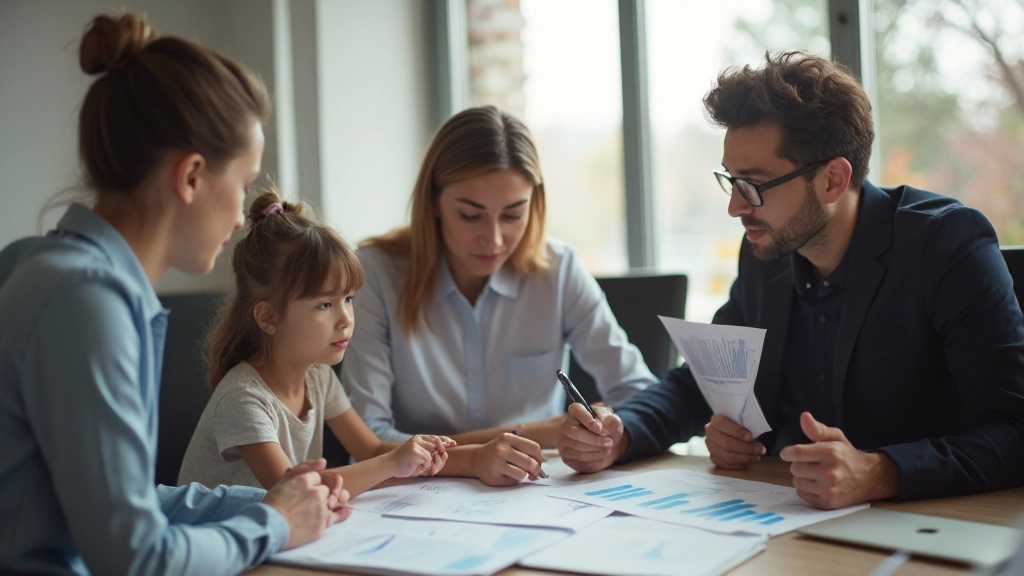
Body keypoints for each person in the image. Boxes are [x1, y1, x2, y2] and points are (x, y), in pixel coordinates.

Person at [558, 51, 1024, 509]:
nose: (735, 207)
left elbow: (1015, 430)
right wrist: (620, 433)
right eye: (731, 180)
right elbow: (699, 383)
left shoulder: (945, 245)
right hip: (785, 514)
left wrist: (881, 471)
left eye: (753, 185)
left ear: (832, 180)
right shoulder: (766, 252)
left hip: (935, 521)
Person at [0, 14, 347, 575]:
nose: (241, 218)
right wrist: (274, 524)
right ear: (190, 177)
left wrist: (274, 503)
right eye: (242, 185)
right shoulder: (86, 302)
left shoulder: (52, 270)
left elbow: (129, 504)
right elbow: (135, 557)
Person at [343, 106, 657, 486]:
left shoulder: (559, 270)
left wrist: (610, 428)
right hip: (414, 494)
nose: (493, 240)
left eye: (512, 215)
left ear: (533, 205)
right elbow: (369, 442)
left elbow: (641, 394)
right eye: (470, 215)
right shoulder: (374, 276)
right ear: (433, 203)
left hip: (536, 493)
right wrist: (529, 434)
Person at [178, 190, 455, 498]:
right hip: (221, 528)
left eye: (348, 298)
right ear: (268, 317)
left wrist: (425, 455)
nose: (346, 319)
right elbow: (293, 491)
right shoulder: (243, 399)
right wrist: (393, 462)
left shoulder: (318, 376)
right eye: (325, 304)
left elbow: (371, 450)